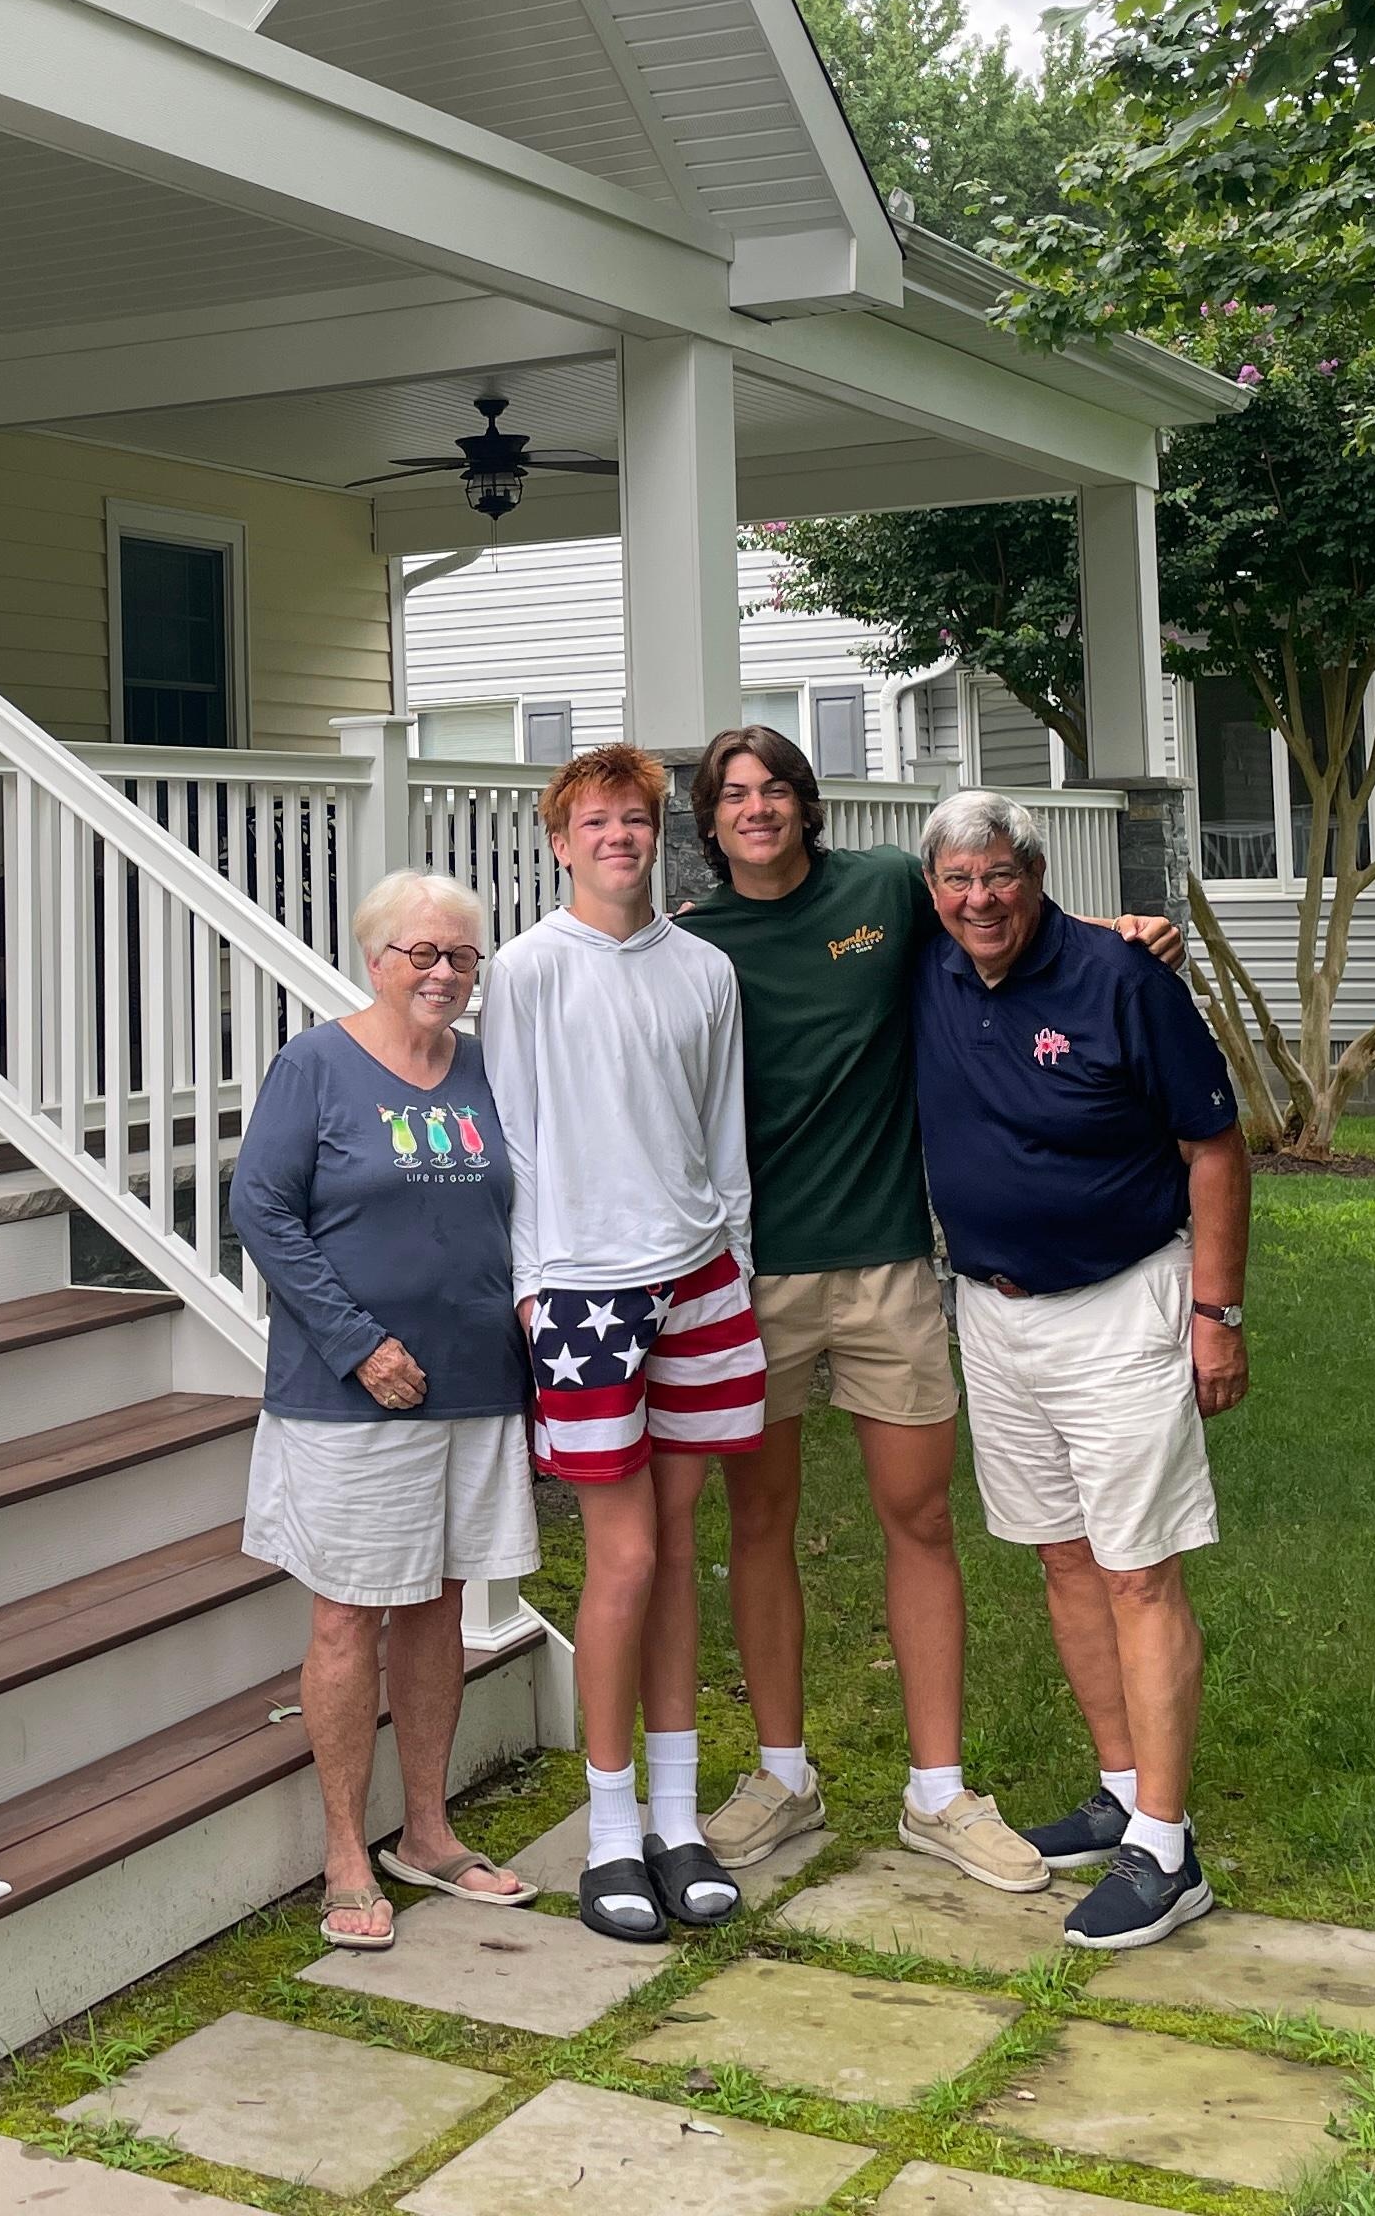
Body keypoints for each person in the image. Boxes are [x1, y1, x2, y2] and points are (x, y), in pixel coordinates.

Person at [674, 727, 1180, 1897]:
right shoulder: (692, 948)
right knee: (762, 1526)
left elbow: (999, 908)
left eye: (776, 791)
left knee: (922, 1523)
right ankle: (782, 1778)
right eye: (734, 796)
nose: (758, 810)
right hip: (751, 1274)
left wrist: (1124, 935)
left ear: (808, 805)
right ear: (711, 821)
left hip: (892, 1262)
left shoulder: (886, 889)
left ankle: (937, 1793)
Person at [911, 788, 1251, 1952]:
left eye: (998, 874)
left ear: (1036, 873)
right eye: (955, 881)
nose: (978, 900)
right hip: (994, 1312)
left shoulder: (1122, 978)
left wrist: (1217, 1312)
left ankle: (1168, 1845)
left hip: (1123, 1306)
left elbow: (1213, 1146)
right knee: (1063, 1556)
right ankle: (1119, 1788)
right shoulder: (933, 964)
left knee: (1139, 1569)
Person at [230, 869, 545, 1951]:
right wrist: (360, 1345)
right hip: (351, 1399)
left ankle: (426, 1830)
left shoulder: (485, 1072)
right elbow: (262, 1211)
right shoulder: (316, 1066)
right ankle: (342, 1852)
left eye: (463, 955)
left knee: (440, 1604)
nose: (445, 973)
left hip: (475, 1381)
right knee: (346, 1614)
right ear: (376, 958)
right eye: (423, 953)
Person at [485, 743, 760, 1945]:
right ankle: (607, 1831)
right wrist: (534, 1287)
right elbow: (518, 1140)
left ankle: (679, 1822)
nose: (618, 837)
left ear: (660, 833)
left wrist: (735, 1260)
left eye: (636, 818)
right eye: (593, 821)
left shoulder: (704, 971)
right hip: (586, 1292)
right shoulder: (528, 971)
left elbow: (723, 1129)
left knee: (678, 1545)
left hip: (701, 1278)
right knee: (626, 1559)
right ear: (559, 842)